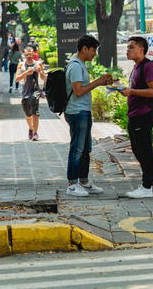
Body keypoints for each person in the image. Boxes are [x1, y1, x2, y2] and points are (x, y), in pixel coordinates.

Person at [64, 35, 115, 197]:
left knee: (86, 149)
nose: (94, 54)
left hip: (83, 111)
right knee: (77, 149)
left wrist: (101, 82)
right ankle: (72, 184)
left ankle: (84, 181)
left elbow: (82, 87)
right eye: (93, 50)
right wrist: (98, 82)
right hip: (77, 112)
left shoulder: (80, 65)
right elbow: (78, 91)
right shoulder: (76, 66)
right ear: (84, 49)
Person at [121, 36, 153, 199]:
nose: (127, 50)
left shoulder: (148, 66)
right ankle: (152, 184)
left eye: (131, 47)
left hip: (143, 114)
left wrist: (132, 92)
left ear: (141, 49)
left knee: (143, 150)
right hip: (136, 113)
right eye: (128, 47)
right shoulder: (137, 67)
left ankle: (146, 186)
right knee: (140, 149)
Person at [16, 46, 47, 140]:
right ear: (24, 55)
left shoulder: (38, 64)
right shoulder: (21, 65)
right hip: (25, 92)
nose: (28, 56)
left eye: (30, 54)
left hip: (35, 91)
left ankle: (35, 133)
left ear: (33, 54)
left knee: (35, 112)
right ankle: (30, 128)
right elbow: (16, 79)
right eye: (26, 54)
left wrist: (40, 71)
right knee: (28, 115)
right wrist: (26, 73)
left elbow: (44, 78)